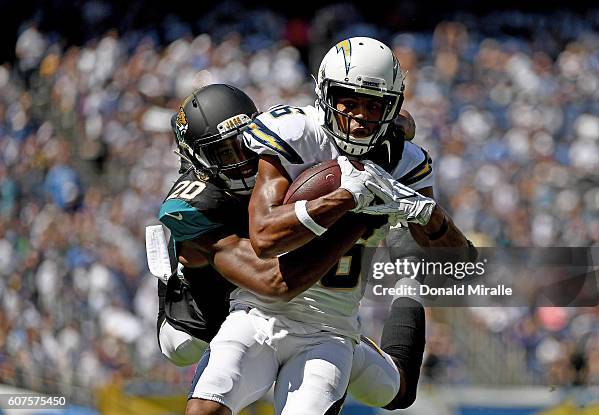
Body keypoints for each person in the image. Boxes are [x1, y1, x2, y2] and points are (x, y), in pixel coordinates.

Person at [188, 37, 474, 415]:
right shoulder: (297, 133)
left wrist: (427, 214)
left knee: (393, 393)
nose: (359, 117)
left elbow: (462, 269)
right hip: (258, 313)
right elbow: (264, 238)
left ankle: (408, 295)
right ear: (325, 95)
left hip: (331, 330)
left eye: (374, 106)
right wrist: (347, 197)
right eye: (349, 102)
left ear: (392, 107)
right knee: (204, 410)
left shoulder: (406, 162)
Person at [152, 83, 375, 367]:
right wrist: (357, 216)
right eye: (225, 154)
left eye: (244, 145)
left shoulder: (274, 144)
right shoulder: (198, 205)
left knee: (385, 385)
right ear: (197, 160)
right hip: (197, 326)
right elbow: (275, 282)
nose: (243, 163)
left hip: (260, 305)